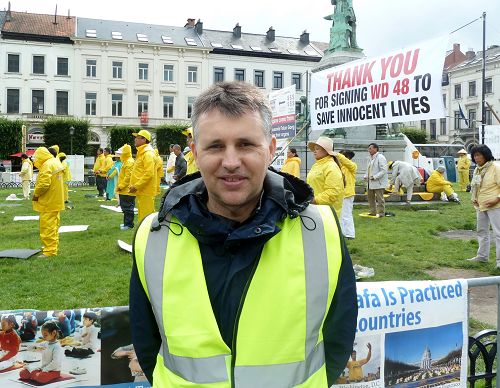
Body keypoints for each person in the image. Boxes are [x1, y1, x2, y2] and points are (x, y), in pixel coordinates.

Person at [129, 81, 357, 387]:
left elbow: (339, 337)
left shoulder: (321, 231)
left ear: (271, 149)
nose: (232, 162)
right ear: (195, 151)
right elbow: (147, 342)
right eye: (215, 146)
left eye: (246, 144)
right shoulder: (153, 237)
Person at [468, 144, 500, 267]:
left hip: (495, 205)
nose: (476, 158)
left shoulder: (495, 168)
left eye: (479, 155)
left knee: (498, 233)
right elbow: (475, 186)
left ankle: (499, 261)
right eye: (474, 155)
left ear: (486, 155)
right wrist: (474, 198)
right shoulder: (477, 169)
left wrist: (496, 200)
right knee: (481, 231)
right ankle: (482, 256)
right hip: (480, 205)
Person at [32, 147, 65, 257]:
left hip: (48, 201)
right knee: (53, 226)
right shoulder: (55, 162)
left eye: (36, 157)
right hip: (55, 200)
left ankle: (49, 251)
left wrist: (36, 194)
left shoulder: (46, 165)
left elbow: (43, 184)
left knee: (47, 227)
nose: (35, 160)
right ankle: (51, 247)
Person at [307, 136, 344, 216]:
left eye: (317, 149)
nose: (314, 151)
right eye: (314, 149)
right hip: (315, 210)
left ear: (326, 151)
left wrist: (313, 200)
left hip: (327, 214)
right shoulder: (316, 165)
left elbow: (333, 192)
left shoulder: (331, 166)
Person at [129, 130, 156, 223]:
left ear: (144, 140)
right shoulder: (142, 153)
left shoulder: (148, 154)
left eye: (137, 137)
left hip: (146, 191)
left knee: (146, 219)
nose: (135, 139)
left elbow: (149, 173)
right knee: (143, 217)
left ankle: (147, 236)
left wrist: (136, 186)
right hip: (142, 190)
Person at [336, 150, 357, 239]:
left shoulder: (352, 166)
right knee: (341, 215)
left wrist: (338, 155)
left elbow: (346, 163)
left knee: (346, 215)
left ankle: (350, 234)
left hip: (348, 194)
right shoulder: (340, 167)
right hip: (341, 194)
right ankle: (343, 233)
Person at [364, 143, 388, 217]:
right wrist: (365, 176)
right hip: (370, 182)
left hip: (379, 183)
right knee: (370, 198)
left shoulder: (381, 157)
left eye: (370, 148)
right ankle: (373, 212)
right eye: (369, 148)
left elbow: (384, 170)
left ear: (375, 149)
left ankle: (381, 213)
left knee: (380, 199)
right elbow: (368, 169)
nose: (369, 150)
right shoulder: (370, 158)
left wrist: (374, 177)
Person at [116, 144, 136, 230]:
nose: (120, 156)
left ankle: (129, 224)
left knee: (128, 207)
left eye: (121, 154)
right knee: (125, 207)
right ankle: (126, 223)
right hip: (124, 189)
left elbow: (128, 177)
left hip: (127, 189)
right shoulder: (127, 161)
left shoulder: (129, 162)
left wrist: (121, 186)